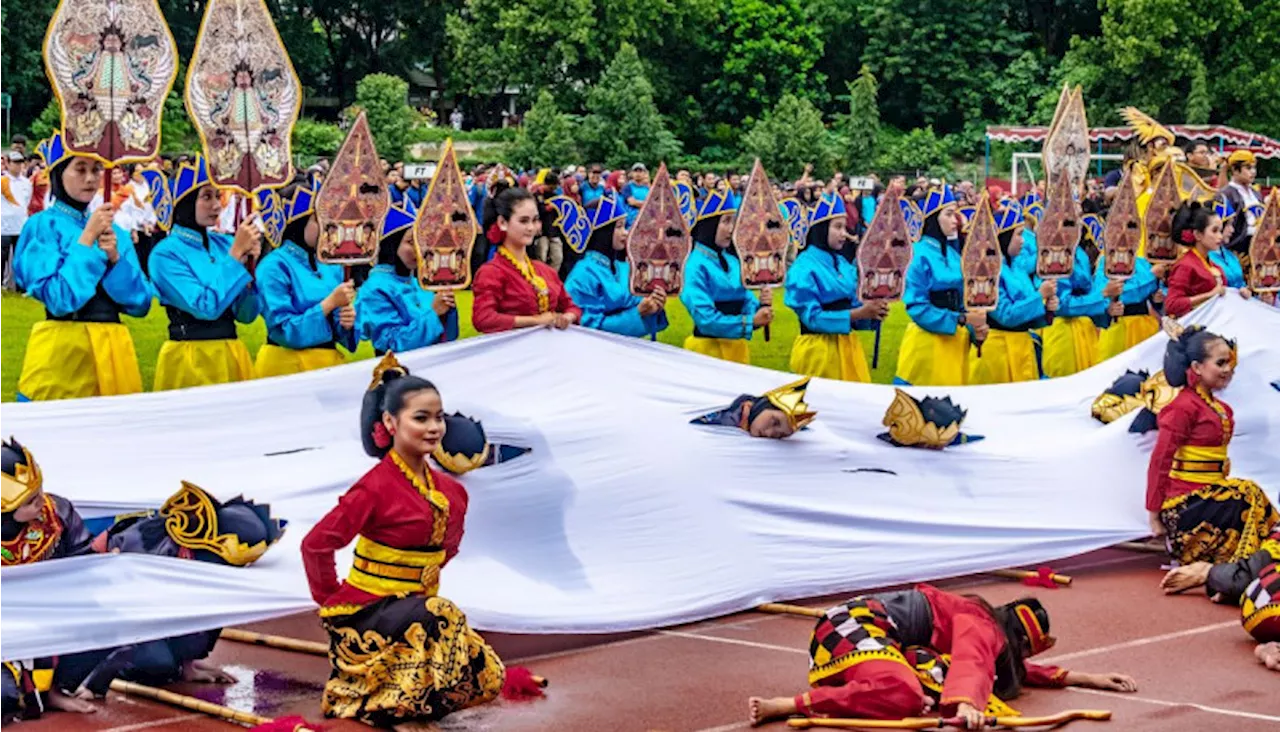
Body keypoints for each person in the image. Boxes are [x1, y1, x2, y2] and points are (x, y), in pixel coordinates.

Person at [300, 356, 540, 726]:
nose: (434, 427)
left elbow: (447, 550)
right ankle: (382, 705)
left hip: (415, 611)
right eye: (421, 418)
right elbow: (315, 545)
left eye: (439, 417)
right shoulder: (373, 487)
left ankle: (408, 686)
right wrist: (332, 604)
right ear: (390, 423)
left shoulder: (451, 492)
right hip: (366, 612)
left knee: (487, 678)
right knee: (443, 615)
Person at [748, 586, 1137, 729]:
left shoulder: (980, 621)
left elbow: (1003, 666)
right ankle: (792, 705)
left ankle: (854, 687)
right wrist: (966, 703)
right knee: (906, 695)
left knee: (930, 671)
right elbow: (973, 662)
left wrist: (1086, 677)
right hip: (857, 627)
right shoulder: (981, 625)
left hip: (862, 633)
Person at [91, 482, 284, 686]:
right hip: (112, 613)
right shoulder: (142, 544)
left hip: (152, 617)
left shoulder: (209, 568)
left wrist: (188, 663)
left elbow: (200, 608)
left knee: (169, 659)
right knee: (157, 665)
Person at [0, 438, 133, 721]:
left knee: (111, 625)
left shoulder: (58, 514)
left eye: (40, 490)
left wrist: (105, 566)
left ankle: (57, 688)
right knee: (3, 697)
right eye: (30, 500)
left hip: (51, 614)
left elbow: (82, 565)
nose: (41, 502)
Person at [13, 134, 150, 401]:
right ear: (60, 173)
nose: (90, 178)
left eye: (96, 169)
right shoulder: (42, 227)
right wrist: (87, 240)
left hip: (114, 352)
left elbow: (141, 303)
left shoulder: (116, 232)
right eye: (80, 169)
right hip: (64, 351)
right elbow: (59, 299)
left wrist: (115, 259)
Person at [1146, 324, 1278, 565]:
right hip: (1184, 509)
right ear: (1197, 367)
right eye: (1220, 363)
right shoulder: (1182, 408)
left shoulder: (1221, 409)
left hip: (1211, 501)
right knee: (1246, 492)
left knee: (1245, 497)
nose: (1228, 370)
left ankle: (1251, 562)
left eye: (1230, 363)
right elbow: (1160, 460)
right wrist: (1154, 516)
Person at [148, 156, 262, 390]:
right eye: (206, 197)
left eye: (217, 196)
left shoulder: (223, 243)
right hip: (190, 359)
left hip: (231, 353)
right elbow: (205, 307)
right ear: (185, 202)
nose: (217, 205)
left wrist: (250, 270)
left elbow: (246, 315)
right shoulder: (165, 254)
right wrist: (235, 257)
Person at [253, 180, 359, 378]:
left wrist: (346, 323)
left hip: (327, 365)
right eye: (318, 220)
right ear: (297, 221)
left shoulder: (330, 265)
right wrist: (328, 304)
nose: (329, 228)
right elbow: (283, 330)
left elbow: (340, 331)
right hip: (286, 367)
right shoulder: (273, 266)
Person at [785, 193, 887, 381]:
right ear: (822, 229)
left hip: (848, 347)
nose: (843, 233)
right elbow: (812, 318)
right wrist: (859, 314)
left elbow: (855, 303)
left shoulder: (842, 263)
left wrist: (873, 311)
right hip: (817, 352)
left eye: (844, 227)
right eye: (837, 227)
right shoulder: (804, 267)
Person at [895, 185, 981, 386]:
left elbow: (963, 299)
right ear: (934, 217)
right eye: (949, 214)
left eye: (956, 214)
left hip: (955, 341)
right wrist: (959, 318)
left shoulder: (953, 254)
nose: (955, 220)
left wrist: (974, 325)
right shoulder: (917, 254)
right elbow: (917, 306)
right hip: (927, 343)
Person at [680, 188, 770, 363]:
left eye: (733, 222)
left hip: (736, 348)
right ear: (710, 225)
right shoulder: (694, 265)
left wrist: (760, 307)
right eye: (726, 222)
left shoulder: (733, 261)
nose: (731, 229)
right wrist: (750, 322)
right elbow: (705, 319)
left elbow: (746, 299)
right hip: (706, 350)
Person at [472, 187, 580, 332]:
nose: (531, 227)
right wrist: (535, 321)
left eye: (535, 220)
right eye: (523, 221)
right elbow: (483, 318)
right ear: (503, 222)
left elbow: (572, 307)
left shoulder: (545, 270)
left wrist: (567, 317)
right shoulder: (491, 272)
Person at [562, 193, 668, 338]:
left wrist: (654, 303)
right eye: (619, 227)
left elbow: (638, 303)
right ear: (602, 231)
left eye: (625, 226)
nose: (625, 233)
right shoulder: (582, 274)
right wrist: (637, 313)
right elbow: (587, 328)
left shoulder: (622, 267)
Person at [969, 202, 1052, 384]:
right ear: (1004, 237)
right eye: (1019, 235)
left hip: (1022, 347)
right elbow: (1006, 315)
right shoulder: (987, 270)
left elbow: (1028, 309)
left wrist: (1047, 309)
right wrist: (1040, 297)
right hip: (998, 351)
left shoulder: (1017, 266)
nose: (1023, 240)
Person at [359, 203, 459, 353]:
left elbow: (449, 338)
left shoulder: (419, 283)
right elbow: (391, 344)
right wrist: (433, 313)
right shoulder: (375, 289)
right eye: (411, 242)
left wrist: (448, 311)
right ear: (391, 245)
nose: (419, 250)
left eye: (421, 241)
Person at [1164, 201, 1251, 318]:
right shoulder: (1185, 265)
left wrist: (1239, 294)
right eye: (1214, 231)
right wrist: (1210, 295)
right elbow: (1172, 305)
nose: (1220, 236)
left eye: (1220, 231)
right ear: (1198, 235)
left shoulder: (1214, 266)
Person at [1094, 214, 1162, 362]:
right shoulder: (1105, 262)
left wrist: (1157, 298)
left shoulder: (1143, 262)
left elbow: (1152, 296)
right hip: (1117, 329)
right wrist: (1151, 278)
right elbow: (1112, 292)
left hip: (1144, 329)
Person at [691, 377, 816, 439]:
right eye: (774, 422)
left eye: (779, 435)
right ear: (763, 406)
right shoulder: (721, 421)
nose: (769, 433)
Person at [1, 150, 33, 290]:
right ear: (8, 163)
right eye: (15, 162)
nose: (18, 166)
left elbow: (27, 201)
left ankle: (20, 286)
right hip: (4, 225)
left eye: (20, 162)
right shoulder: (3, 181)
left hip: (21, 224)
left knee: (20, 257)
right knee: (2, 257)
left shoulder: (26, 183)